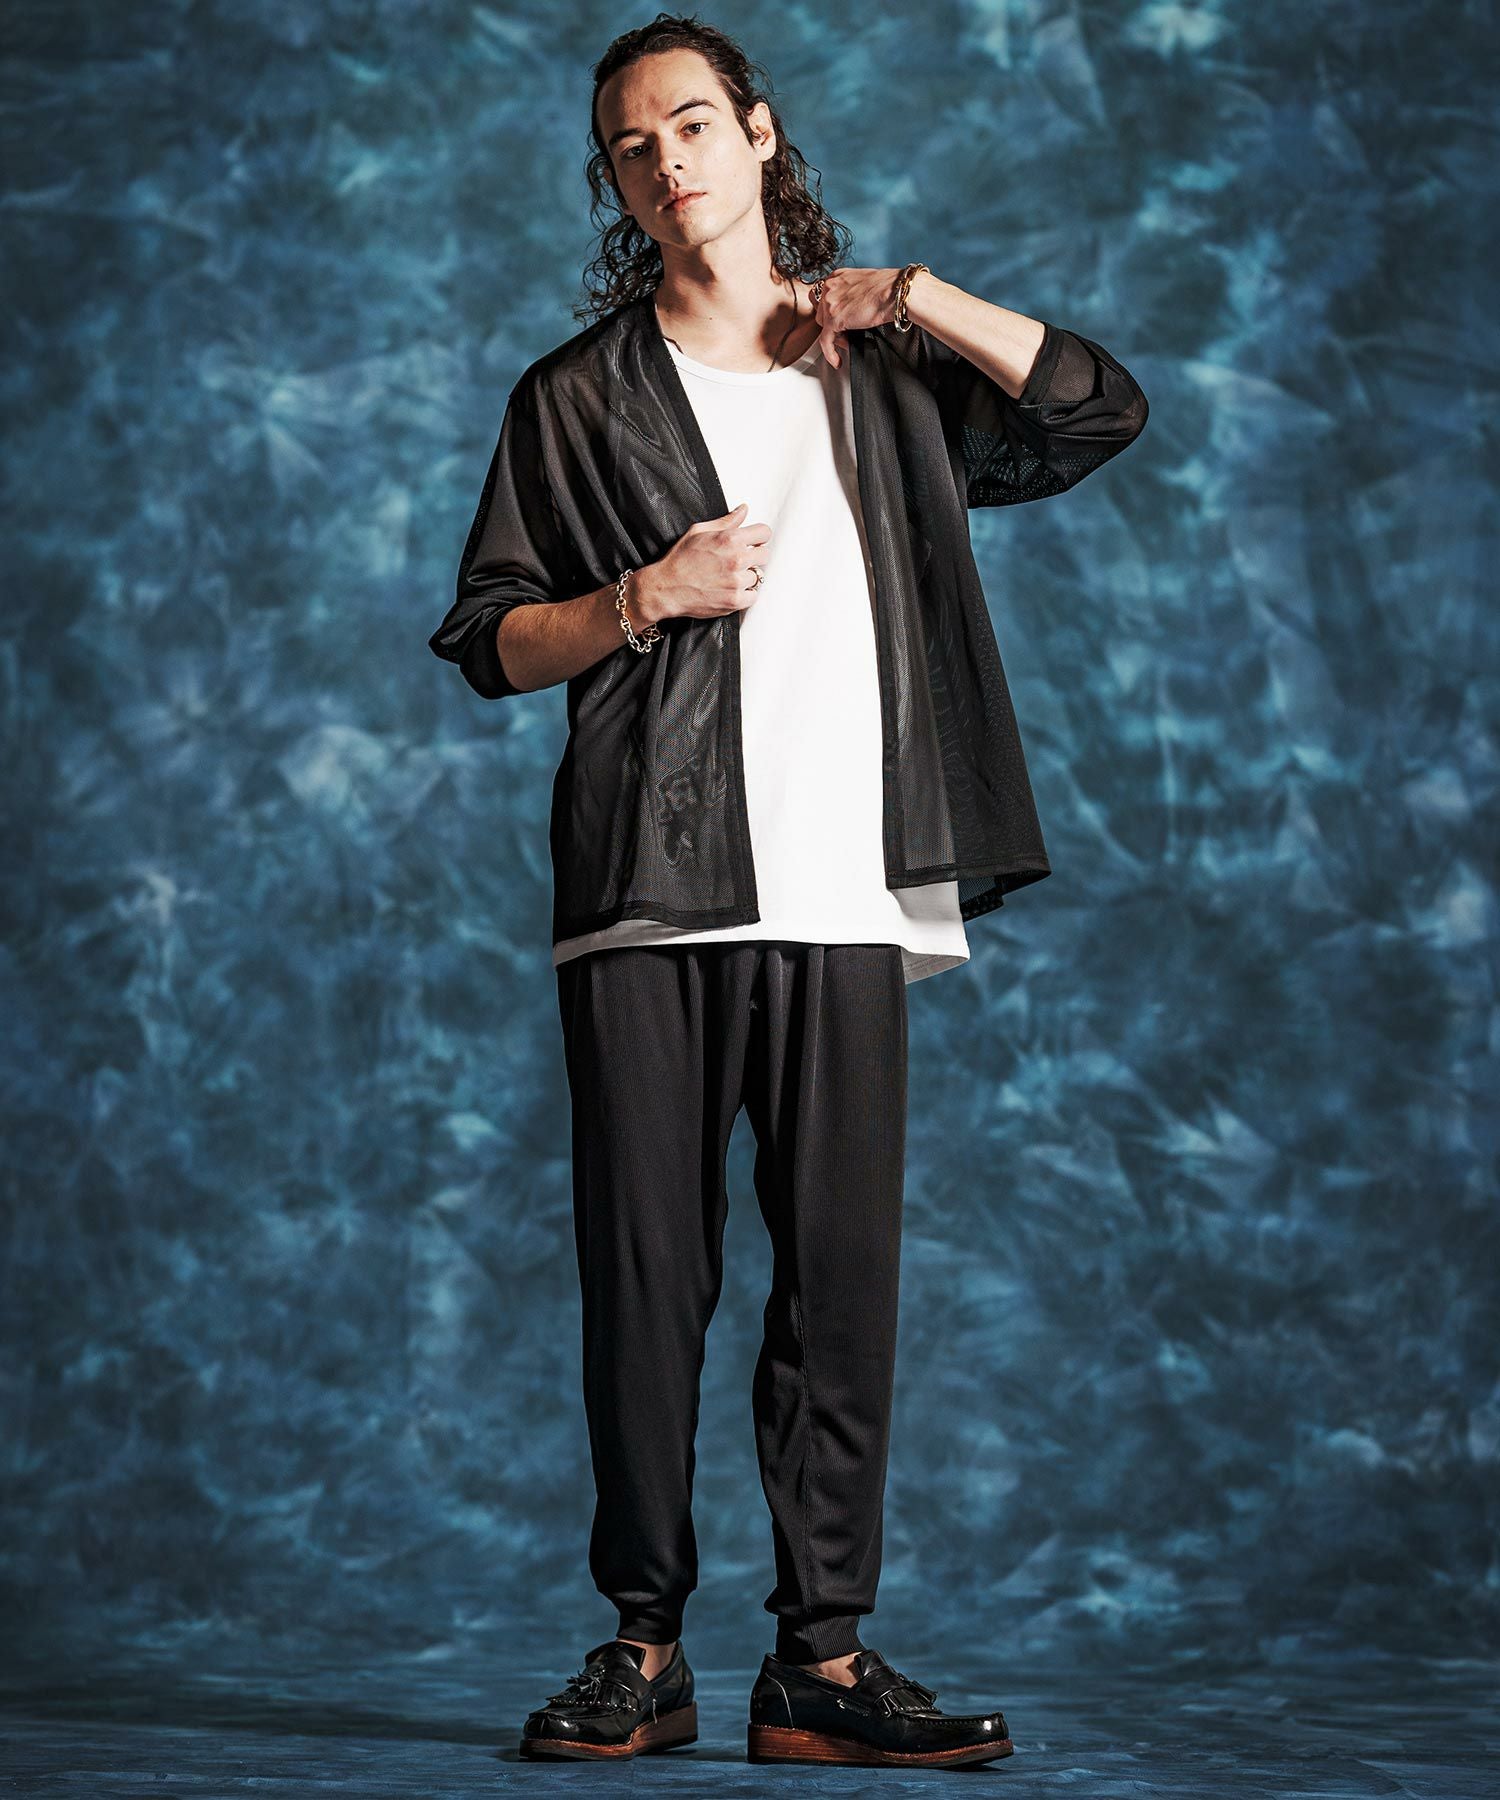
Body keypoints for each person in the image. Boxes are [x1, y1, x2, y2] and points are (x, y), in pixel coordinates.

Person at [428, 13, 1148, 1770]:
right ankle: (643, 1648)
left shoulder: (881, 370)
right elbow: (489, 641)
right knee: (647, 1282)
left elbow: (1094, 408)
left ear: (757, 135)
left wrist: (909, 295)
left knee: (839, 1289)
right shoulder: (576, 397)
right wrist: (643, 595)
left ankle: (821, 1664)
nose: (664, 161)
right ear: (614, 183)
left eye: (690, 123)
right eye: (629, 145)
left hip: (846, 887)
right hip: (649, 889)